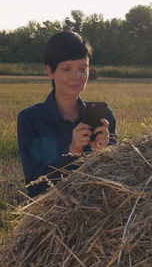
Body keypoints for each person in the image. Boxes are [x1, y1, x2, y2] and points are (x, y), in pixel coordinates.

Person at [17, 31, 117, 198]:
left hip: (97, 212)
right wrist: (71, 152)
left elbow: (116, 182)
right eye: (67, 69)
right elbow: (35, 187)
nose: (76, 77)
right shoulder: (31, 119)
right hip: (50, 215)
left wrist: (102, 154)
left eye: (83, 69)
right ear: (50, 71)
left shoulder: (105, 116)